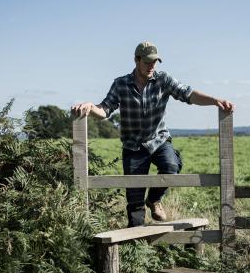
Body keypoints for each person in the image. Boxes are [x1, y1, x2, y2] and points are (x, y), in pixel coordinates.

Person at [71, 41, 235, 227]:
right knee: (134, 201)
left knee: (171, 165)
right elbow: (105, 110)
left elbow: (189, 94)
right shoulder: (121, 84)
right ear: (136, 60)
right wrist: (90, 107)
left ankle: (155, 200)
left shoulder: (163, 79)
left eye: (155, 62)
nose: (152, 66)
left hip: (159, 140)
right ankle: (137, 247)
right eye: (147, 62)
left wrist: (215, 101)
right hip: (133, 147)